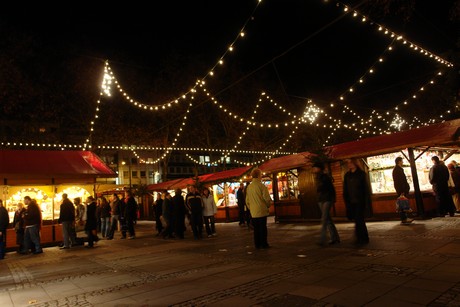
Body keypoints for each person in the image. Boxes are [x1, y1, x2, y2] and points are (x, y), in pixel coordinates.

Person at [343, 158, 371, 245]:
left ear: (355, 164)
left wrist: (366, 201)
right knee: (357, 219)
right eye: (348, 163)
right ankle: (362, 237)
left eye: (351, 163)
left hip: (359, 200)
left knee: (359, 220)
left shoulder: (361, 174)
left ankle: (362, 238)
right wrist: (346, 199)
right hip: (351, 201)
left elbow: (365, 189)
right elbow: (345, 188)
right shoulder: (347, 175)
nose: (349, 165)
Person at [312, 161, 340, 246]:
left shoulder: (325, 177)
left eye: (315, 168)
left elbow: (331, 188)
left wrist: (333, 198)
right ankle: (335, 238)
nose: (313, 169)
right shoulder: (317, 177)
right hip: (321, 199)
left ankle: (322, 239)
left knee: (324, 219)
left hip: (327, 199)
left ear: (319, 168)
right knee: (328, 219)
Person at [245, 168, 272, 249]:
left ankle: (257, 244)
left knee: (256, 229)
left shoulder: (249, 187)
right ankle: (264, 243)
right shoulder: (262, 186)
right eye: (261, 175)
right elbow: (267, 198)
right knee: (263, 228)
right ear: (258, 176)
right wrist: (268, 205)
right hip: (262, 210)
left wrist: (251, 208)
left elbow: (247, 200)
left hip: (254, 212)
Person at [392, 157, 413, 224]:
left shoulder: (397, 169)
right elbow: (399, 181)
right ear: (399, 161)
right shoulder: (397, 170)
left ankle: (405, 218)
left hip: (401, 189)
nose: (403, 162)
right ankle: (404, 219)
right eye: (402, 161)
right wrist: (402, 190)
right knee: (402, 204)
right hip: (401, 190)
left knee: (403, 204)